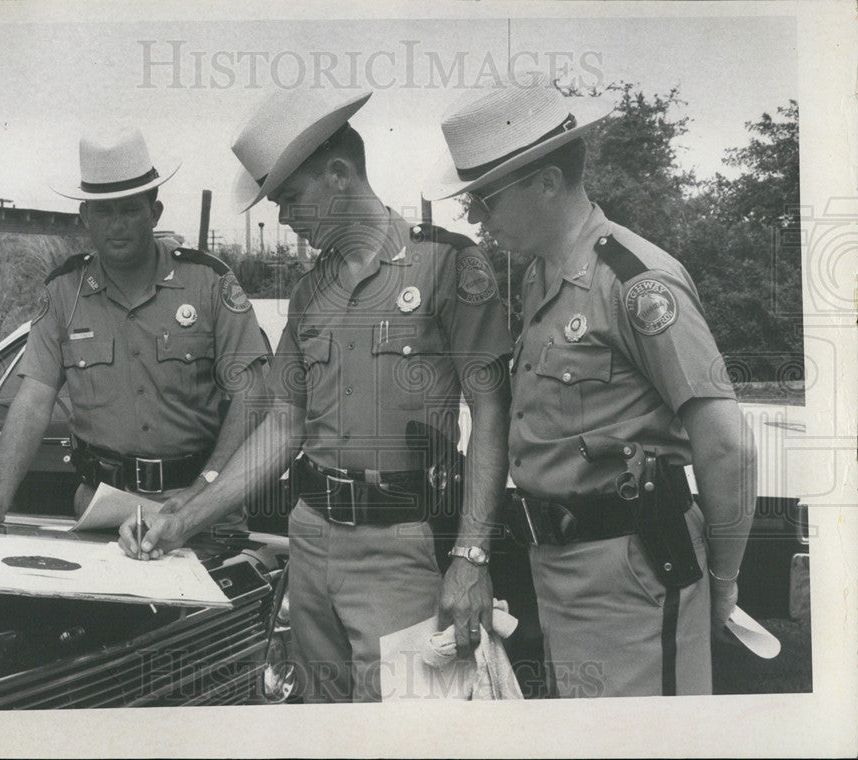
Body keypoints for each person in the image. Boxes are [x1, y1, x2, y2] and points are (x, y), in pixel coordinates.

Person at [119, 89, 514, 702]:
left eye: (290, 198)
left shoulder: (447, 265)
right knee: (319, 723)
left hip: (402, 542)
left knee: (408, 732)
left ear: (338, 174)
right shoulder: (310, 293)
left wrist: (472, 555)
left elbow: (492, 411)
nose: (282, 218)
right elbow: (283, 425)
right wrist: (186, 517)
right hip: (310, 541)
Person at [422, 76, 757, 697]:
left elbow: (726, 444)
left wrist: (727, 579)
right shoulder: (542, 277)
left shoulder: (635, 281)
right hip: (561, 568)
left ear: (546, 182)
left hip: (633, 571)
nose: (477, 217)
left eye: (486, 198)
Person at [0, 126, 269, 528]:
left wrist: (207, 487)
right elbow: (34, 400)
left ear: (154, 213)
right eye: (104, 211)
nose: (116, 225)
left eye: (129, 209)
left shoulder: (207, 281)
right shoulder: (63, 292)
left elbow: (252, 393)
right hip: (101, 507)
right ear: (85, 217)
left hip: (199, 507)